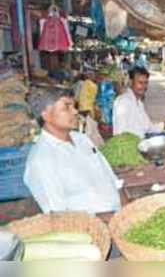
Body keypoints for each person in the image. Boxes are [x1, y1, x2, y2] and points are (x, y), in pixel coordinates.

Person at [24, 88, 123, 221]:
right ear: (46, 115)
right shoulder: (41, 161)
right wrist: (112, 218)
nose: (75, 111)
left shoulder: (82, 139)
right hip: (95, 231)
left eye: (74, 106)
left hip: (119, 216)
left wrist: (128, 209)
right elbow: (60, 217)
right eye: (67, 107)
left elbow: (112, 179)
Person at [113, 67, 165, 138]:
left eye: (146, 83)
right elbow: (120, 134)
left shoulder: (139, 103)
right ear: (131, 82)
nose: (144, 86)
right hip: (129, 146)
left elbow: (150, 128)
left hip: (142, 141)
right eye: (140, 82)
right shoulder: (123, 102)